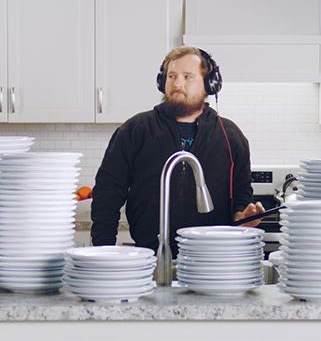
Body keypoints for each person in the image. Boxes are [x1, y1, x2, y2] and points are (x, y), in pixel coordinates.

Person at [90, 46, 264, 257]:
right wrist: (102, 252)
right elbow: (107, 195)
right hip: (149, 256)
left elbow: (241, 195)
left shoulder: (231, 136)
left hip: (213, 259)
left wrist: (242, 217)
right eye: (171, 76)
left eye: (187, 76)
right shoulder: (135, 130)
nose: (177, 83)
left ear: (210, 84)